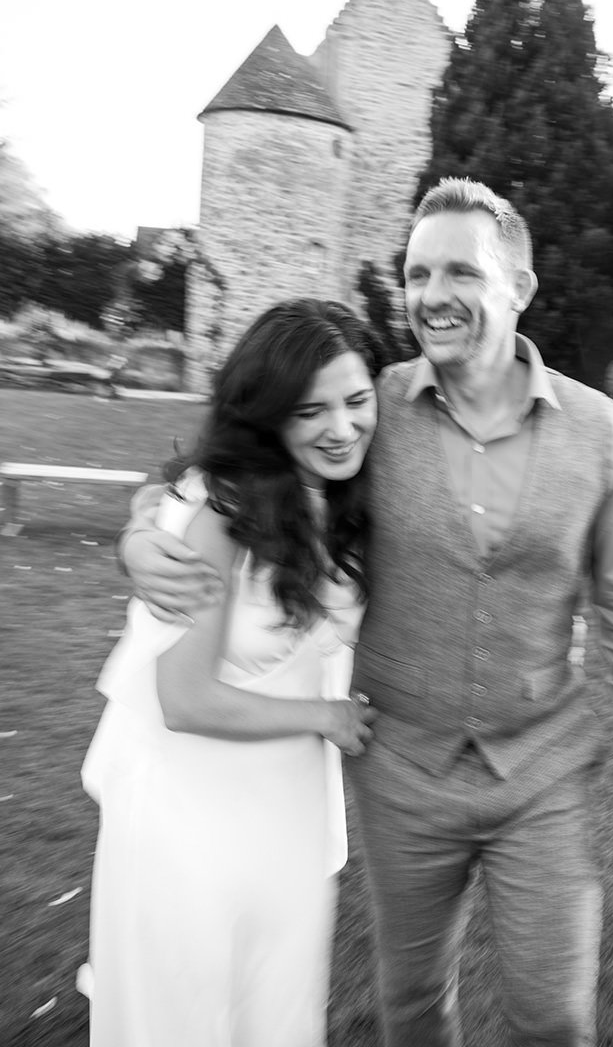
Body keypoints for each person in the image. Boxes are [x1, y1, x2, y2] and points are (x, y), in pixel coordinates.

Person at [119, 179, 613, 1047]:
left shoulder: (602, 432)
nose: (430, 296)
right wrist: (140, 527)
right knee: (413, 1002)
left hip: (542, 767)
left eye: (459, 271)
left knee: (554, 1014)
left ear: (520, 288)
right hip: (399, 766)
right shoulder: (370, 404)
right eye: (417, 273)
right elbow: (236, 454)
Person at [81, 298, 381, 1047]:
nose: (342, 428)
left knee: (275, 1005)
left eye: (356, 401)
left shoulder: (338, 494)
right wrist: (328, 717)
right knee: (185, 1010)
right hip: (191, 805)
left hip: (284, 804)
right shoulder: (220, 510)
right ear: (270, 416)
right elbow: (182, 699)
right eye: (311, 410)